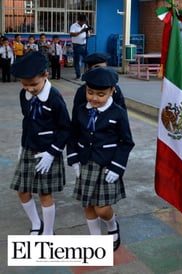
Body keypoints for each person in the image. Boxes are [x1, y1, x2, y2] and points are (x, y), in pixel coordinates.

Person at [67, 66, 135, 251]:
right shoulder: (81, 110)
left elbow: (126, 142)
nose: (94, 98)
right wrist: (73, 158)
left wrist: (117, 167)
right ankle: (95, 238)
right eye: (90, 92)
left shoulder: (118, 113)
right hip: (85, 164)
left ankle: (112, 226)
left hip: (107, 166)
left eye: (100, 94)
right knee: (88, 205)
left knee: (102, 208)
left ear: (112, 91)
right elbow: (73, 135)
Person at [9, 51, 71, 235]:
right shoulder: (24, 95)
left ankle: (48, 232)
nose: (29, 88)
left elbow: (65, 128)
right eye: (25, 84)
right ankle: (36, 223)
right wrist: (22, 145)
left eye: (33, 84)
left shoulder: (54, 97)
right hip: (29, 148)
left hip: (47, 152)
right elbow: (27, 121)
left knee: (45, 194)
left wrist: (52, 153)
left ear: (46, 75)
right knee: (22, 190)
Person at [70, 14, 90, 80]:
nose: (84, 22)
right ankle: (78, 75)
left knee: (87, 60)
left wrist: (87, 33)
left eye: (85, 21)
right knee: (77, 61)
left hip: (84, 45)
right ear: (79, 20)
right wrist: (81, 31)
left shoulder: (85, 26)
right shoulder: (74, 25)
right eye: (83, 21)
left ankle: (87, 73)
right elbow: (72, 34)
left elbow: (88, 36)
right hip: (76, 46)